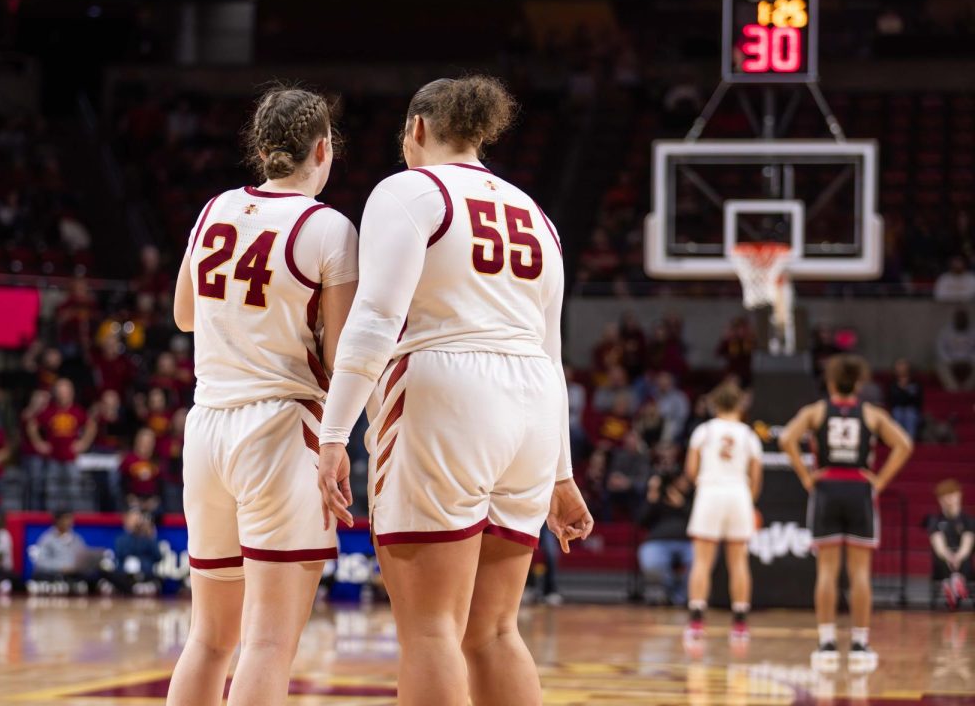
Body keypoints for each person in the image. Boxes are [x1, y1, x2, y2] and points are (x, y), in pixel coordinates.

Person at [316, 76, 593, 706]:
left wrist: (334, 433)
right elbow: (551, 351)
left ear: (417, 129)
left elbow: (376, 318)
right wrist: (560, 473)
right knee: (493, 630)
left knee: (430, 629)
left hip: (446, 388)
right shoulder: (537, 214)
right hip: (532, 406)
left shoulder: (410, 189)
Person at [166, 86, 360, 706]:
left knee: (208, 639)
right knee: (269, 645)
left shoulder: (215, 207)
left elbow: (183, 315)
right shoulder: (328, 226)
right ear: (324, 150)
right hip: (280, 427)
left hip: (209, 425)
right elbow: (340, 359)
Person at [780, 354, 914, 672]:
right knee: (860, 573)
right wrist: (879, 481)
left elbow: (787, 439)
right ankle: (860, 644)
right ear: (858, 384)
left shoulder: (816, 411)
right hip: (859, 489)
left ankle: (826, 643)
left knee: (826, 571)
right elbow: (905, 444)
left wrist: (805, 475)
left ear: (829, 382)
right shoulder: (870, 414)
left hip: (827, 487)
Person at [682, 381, 763, 644]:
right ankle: (740, 623)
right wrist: (748, 500)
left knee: (703, 560)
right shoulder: (749, 435)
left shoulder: (703, 431)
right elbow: (756, 476)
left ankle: (696, 620)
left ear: (715, 404)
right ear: (740, 405)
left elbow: (691, 470)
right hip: (738, 493)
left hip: (710, 492)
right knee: (739, 561)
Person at [26, 379, 97, 512]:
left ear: (71, 393)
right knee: (52, 492)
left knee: (74, 491)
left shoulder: (77, 411)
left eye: (65, 392)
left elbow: (91, 426)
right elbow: (32, 425)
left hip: (72, 458)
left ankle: (72, 520)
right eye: (60, 392)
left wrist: (84, 443)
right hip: (53, 458)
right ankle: (52, 520)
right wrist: (39, 443)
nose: (63, 395)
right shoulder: (49, 411)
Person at [638, 471, 694, 606]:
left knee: (700, 561)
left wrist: (681, 504)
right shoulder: (657, 500)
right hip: (658, 541)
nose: (681, 484)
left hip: (688, 542)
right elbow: (640, 521)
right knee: (652, 561)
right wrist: (652, 494)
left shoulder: (695, 498)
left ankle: (684, 597)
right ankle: (666, 594)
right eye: (678, 480)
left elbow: (699, 520)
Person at [30, 511, 105, 594]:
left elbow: (82, 557)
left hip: (74, 573)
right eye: (66, 519)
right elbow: (41, 562)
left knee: (93, 575)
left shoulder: (76, 538)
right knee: (41, 575)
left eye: (70, 519)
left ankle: (74, 585)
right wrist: (61, 567)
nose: (69, 522)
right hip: (55, 573)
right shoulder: (47, 539)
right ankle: (60, 586)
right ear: (58, 521)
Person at [927, 479, 973, 611]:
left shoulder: (968, 521)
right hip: (943, 563)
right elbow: (938, 545)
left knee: (965, 560)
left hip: (963, 563)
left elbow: (967, 544)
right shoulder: (935, 521)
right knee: (941, 559)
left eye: (952, 494)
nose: (949, 499)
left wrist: (958, 557)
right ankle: (954, 583)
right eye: (945, 496)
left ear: (959, 495)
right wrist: (949, 557)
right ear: (939, 500)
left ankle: (952, 584)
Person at [114, 509, 163, 596]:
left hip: (146, 575)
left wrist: (150, 535)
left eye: (138, 518)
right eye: (133, 518)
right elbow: (119, 556)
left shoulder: (148, 538)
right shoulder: (121, 540)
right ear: (127, 520)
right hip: (126, 578)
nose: (136, 521)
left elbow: (158, 556)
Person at [119, 428, 163, 515]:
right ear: (137, 442)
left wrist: (155, 499)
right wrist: (130, 498)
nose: (146, 445)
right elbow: (121, 483)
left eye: (149, 442)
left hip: (152, 500)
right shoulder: (128, 460)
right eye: (144, 442)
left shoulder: (157, 461)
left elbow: (161, 485)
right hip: (132, 499)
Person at [936, 310, 975, 392]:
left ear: (967, 319)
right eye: (959, 318)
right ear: (955, 319)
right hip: (951, 360)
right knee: (940, 365)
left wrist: (970, 360)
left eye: (963, 318)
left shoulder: (973, 331)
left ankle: (968, 388)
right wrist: (950, 361)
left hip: (969, 360)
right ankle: (953, 388)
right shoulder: (945, 332)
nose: (961, 320)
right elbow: (941, 349)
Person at [887, 359, 924, 440]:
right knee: (898, 413)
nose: (901, 369)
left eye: (903, 366)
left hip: (912, 410)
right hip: (897, 409)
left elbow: (917, 401)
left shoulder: (914, 383)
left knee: (910, 414)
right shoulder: (893, 384)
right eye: (899, 366)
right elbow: (892, 401)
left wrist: (904, 392)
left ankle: (909, 440)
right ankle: (897, 439)